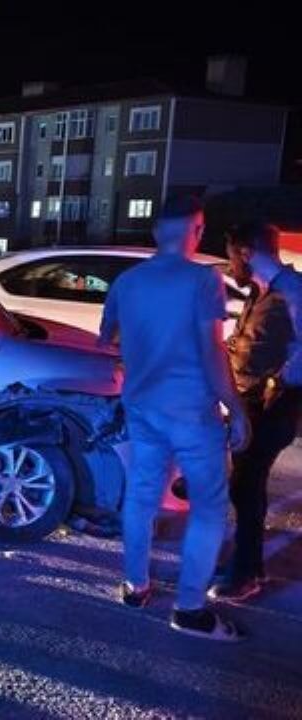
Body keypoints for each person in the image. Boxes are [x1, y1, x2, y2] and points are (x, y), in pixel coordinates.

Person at [98, 195, 250, 641]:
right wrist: (237, 409)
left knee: (142, 494)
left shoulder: (127, 282)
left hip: (143, 407)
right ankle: (189, 609)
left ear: (155, 231)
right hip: (191, 413)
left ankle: (135, 584)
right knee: (208, 507)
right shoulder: (204, 280)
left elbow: (108, 339)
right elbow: (211, 350)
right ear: (196, 230)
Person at [211, 221, 302, 602]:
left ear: (248, 253)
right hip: (252, 403)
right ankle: (250, 567)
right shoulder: (261, 291)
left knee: (245, 485)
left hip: (274, 405)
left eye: (233, 256)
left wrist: (279, 384)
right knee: (249, 485)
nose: (230, 266)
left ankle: (245, 574)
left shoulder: (292, 292)